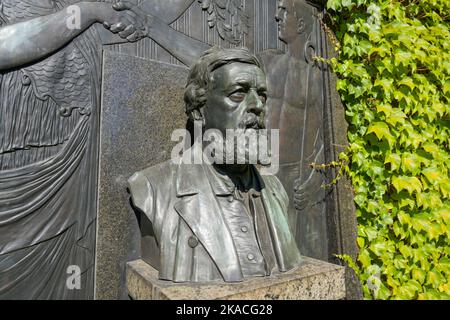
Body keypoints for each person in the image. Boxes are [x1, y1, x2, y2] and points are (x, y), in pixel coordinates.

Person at [0, 0, 195, 299]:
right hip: (20, 153)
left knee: (66, 273)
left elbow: (136, 19)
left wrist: (138, 21)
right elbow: (6, 45)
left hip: (71, 157)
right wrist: (90, 11)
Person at [128, 48, 301, 283]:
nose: (257, 106)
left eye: (262, 95)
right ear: (200, 111)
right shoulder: (151, 188)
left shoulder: (275, 190)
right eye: (238, 93)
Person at [259, 0, 328, 259]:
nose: (276, 16)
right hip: (264, 173)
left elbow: (330, 138)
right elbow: (223, 68)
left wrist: (314, 181)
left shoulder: (318, 76)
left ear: (301, 23)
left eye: (284, 10)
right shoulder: (267, 62)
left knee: (306, 259)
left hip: (297, 178)